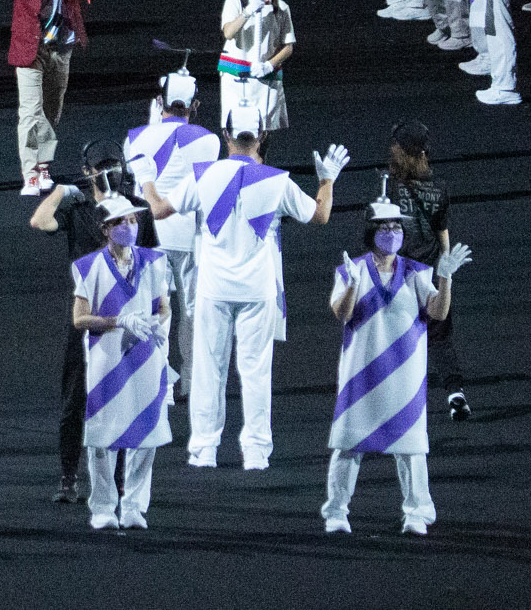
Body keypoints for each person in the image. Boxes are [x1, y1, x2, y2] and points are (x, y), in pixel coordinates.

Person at [142, 129, 345, 469]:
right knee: (256, 372)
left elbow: (159, 210)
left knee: (208, 369)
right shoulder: (277, 181)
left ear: (226, 136)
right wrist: (326, 180)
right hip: (258, 290)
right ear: (262, 137)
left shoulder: (203, 174)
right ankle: (255, 452)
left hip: (213, 288)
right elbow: (320, 215)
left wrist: (147, 179)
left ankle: (205, 449)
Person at [322, 197, 470, 536]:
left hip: (404, 374)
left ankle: (418, 513)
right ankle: (336, 511)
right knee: (348, 444)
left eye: (396, 227)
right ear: (370, 232)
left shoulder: (416, 272)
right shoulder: (350, 269)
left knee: (411, 447)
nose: (392, 233)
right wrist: (352, 287)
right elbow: (341, 314)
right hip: (360, 373)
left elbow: (437, 312)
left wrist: (445, 278)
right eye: (384, 227)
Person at [30, 144, 131, 503]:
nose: (109, 172)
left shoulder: (132, 211)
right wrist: (60, 190)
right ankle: (68, 477)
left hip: (123, 317)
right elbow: (40, 221)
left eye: (113, 165)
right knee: (75, 399)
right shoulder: (78, 210)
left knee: (122, 400)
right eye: (101, 167)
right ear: (88, 172)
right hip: (86, 316)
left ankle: (120, 481)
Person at [69, 194, 172, 530]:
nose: (129, 226)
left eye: (133, 220)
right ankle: (102, 506)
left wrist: (160, 328)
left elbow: (164, 305)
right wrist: (119, 321)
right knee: (103, 434)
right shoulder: (89, 267)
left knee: (147, 431)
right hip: (107, 357)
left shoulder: (155, 262)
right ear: (106, 229)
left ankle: (134, 506)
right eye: (121, 222)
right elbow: (80, 319)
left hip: (146, 354)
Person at [125, 69, 220, 405]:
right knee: (192, 313)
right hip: (191, 236)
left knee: (156, 311)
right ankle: (193, 383)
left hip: (149, 237)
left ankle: (159, 383)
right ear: (194, 105)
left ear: (159, 101)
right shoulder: (209, 139)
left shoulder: (134, 137)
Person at [384, 122, 470, 421]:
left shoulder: (389, 188)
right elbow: (443, 236)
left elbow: (382, 233)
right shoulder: (439, 189)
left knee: (395, 336)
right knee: (440, 337)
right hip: (431, 272)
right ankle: (455, 393)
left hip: (400, 273)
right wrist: (446, 274)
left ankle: (397, 401)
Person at [6, 0, 86, 192]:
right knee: (30, 111)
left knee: (53, 107)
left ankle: (44, 166)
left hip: (62, 42)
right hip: (31, 46)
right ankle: (29, 173)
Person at [219, 0, 295, 136]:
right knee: (235, 132)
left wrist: (269, 65)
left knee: (264, 133)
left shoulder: (281, 7)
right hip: (236, 76)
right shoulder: (234, 1)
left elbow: (288, 46)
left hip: (265, 79)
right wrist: (248, 11)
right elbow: (228, 32)